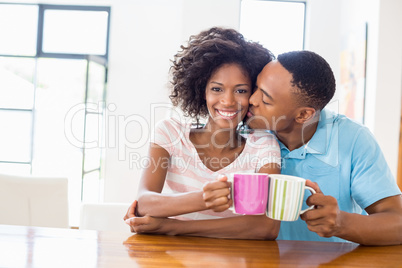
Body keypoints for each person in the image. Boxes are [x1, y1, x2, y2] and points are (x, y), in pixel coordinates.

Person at [211, 50, 402, 245]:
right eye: (256, 87)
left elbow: (397, 225)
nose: (251, 100)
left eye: (266, 100)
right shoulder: (245, 131)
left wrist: (341, 223)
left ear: (303, 115)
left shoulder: (353, 140)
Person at [124, 27, 281, 239]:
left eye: (241, 90)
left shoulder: (263, 145)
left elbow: (266, 227)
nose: (228, 101)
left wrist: (172, 227)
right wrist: (204, 198)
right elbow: (143, 203)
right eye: (217, 89)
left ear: (252, 94)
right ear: (202, 91)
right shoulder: (170, 132)